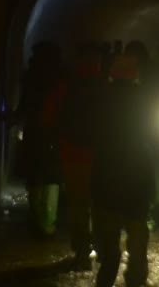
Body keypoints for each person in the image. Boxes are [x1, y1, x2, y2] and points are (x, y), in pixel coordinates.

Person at [91, 42, 154, 287]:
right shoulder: (145, 98)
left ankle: (106, 277)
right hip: (137, 173)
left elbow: (90, 134)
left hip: (106, 174)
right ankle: (136, 279)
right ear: (135, 73)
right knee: (137, 235)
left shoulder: (101, 97)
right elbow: (156, 135)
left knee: (108, 236)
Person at [58, 42, 103, 271]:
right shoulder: (106, 89)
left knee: (78, 205)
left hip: (73, 154)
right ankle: (104, 248)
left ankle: (82, 252)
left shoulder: (66, 86)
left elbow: (51, 116)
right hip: (100, 157)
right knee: (99, 203)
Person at [18, 41, 65, 237]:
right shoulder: (61, 78)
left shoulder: (31, 76)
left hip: (36, 133)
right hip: (53, 134)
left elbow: (25, 104)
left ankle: (37, 219)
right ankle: (47, 223)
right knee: (50, 178)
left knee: (36, 177)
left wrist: (14, 117)